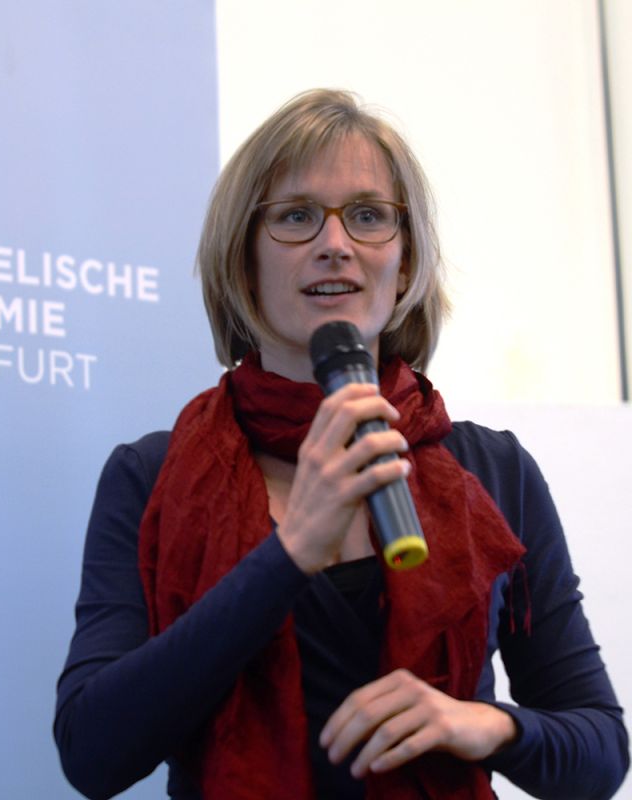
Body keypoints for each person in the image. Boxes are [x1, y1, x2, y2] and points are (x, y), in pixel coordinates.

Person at [54, 89, 629, 799]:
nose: (335, 243)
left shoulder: (494, 470)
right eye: (296, 216)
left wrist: (488, 724)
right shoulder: (150, 474)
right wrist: (291, 552)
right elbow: (92, 751)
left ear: (405, 260)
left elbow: (600, 752)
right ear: (243, 260)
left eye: (368, 215)